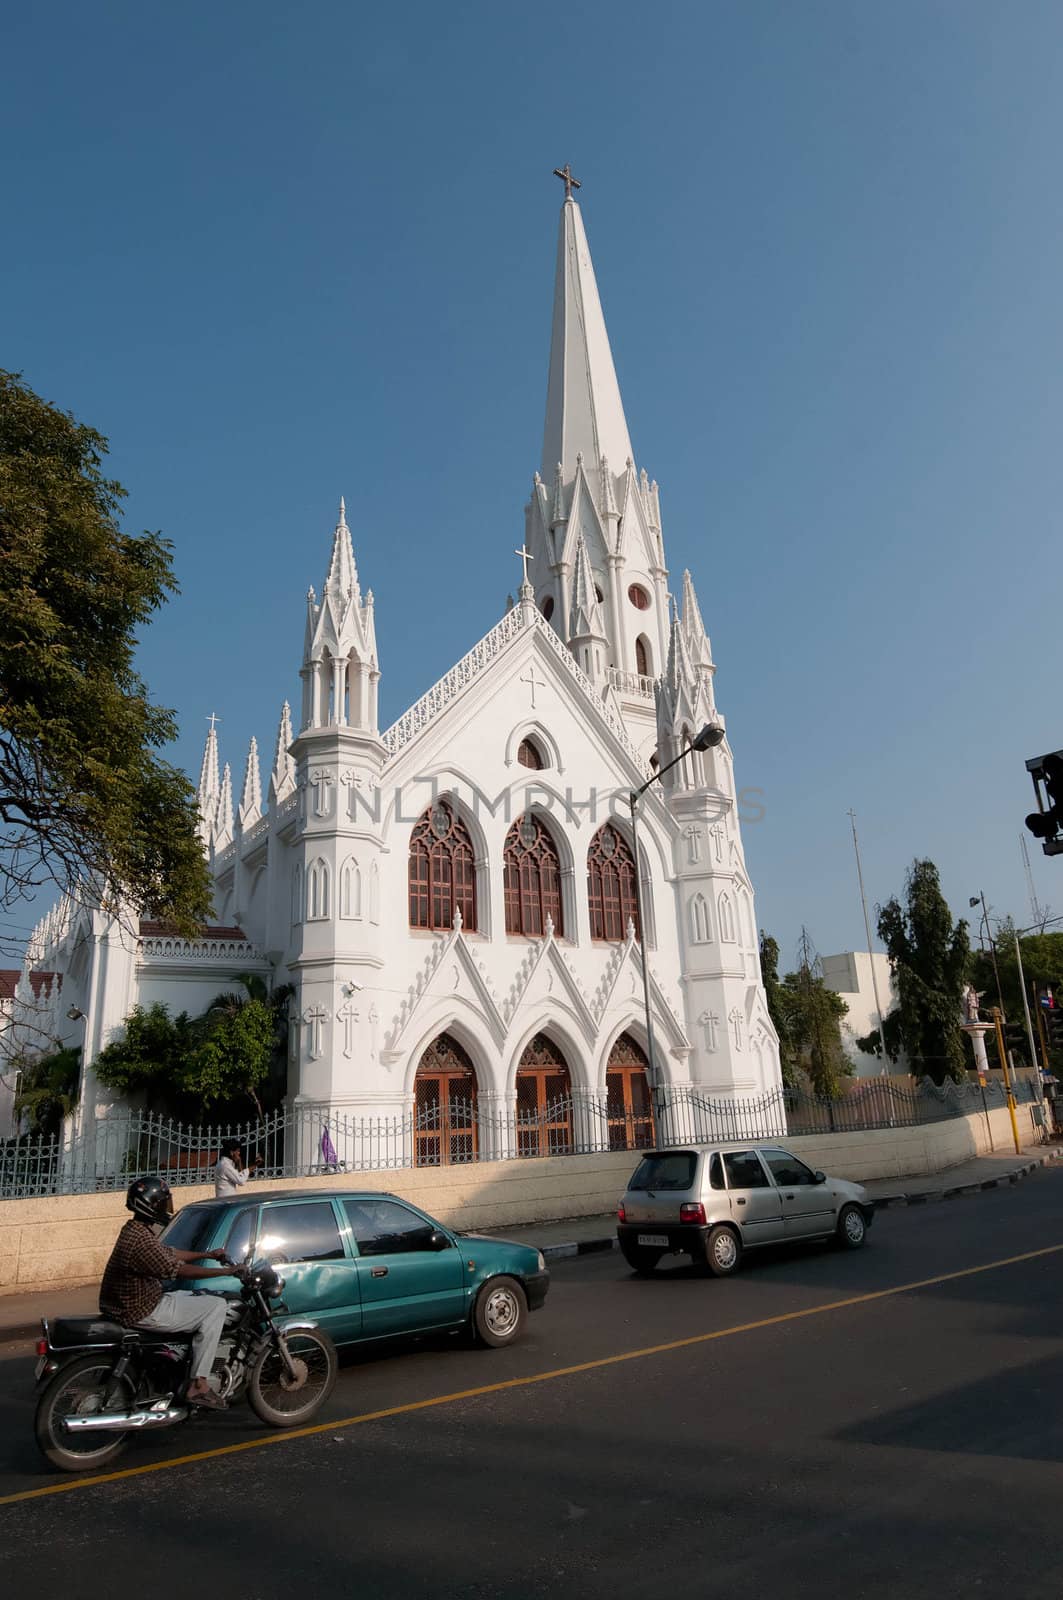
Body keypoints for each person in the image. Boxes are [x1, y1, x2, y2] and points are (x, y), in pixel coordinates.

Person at [99, 1175, 236, 1410]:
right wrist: (229, 1271)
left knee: (198, 1297)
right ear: (150, 1205)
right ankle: (199, 1383)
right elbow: (179, 1270)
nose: (166, 1208)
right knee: (216, 1307)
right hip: (144, 1309)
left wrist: (207, 1255)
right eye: (162, 1203)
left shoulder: (135, 1230)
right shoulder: (140, 1242)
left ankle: (183, 1362)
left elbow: (168, 1253)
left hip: (141, 1301)